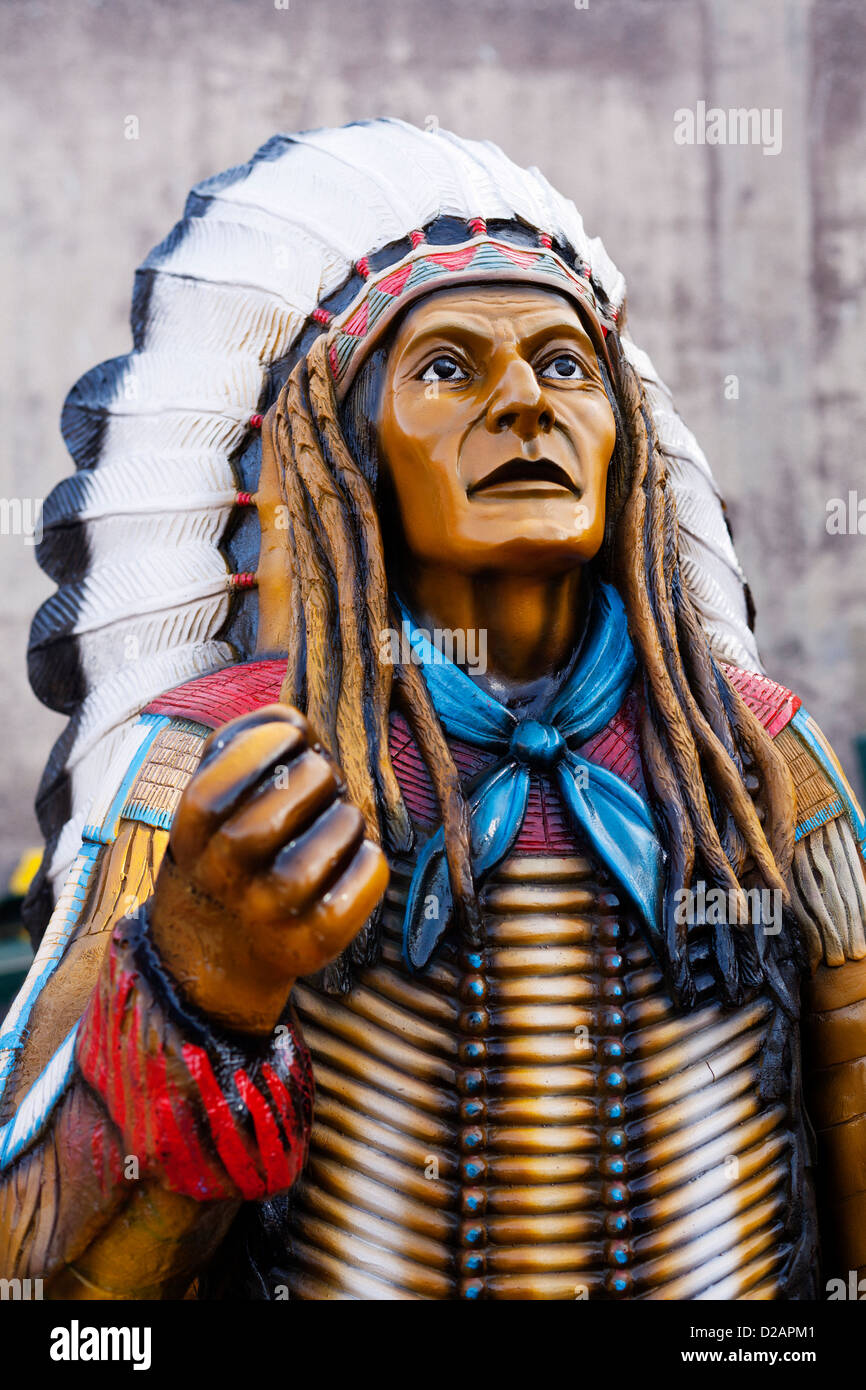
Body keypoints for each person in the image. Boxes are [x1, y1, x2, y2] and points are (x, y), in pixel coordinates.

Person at [2, 121, 864, 1300]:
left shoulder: (763, 762)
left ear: (624, 439)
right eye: (447, 368)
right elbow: (44, 1283)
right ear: (342, 453)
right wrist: (197, 981)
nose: (522, 404)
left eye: (564, 366)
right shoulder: (209, 772)